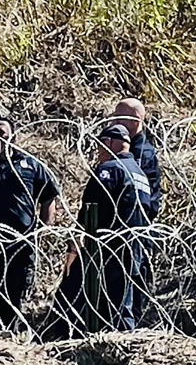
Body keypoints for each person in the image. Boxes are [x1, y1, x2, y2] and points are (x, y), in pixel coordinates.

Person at [53, 125, 153, 334]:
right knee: (120, 300)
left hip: (105, 245)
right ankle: (121, 342)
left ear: (108, 143)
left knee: (75, 293)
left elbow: (91, 209)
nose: (98, 153)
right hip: (133, 245)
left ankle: (65, 338)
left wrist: (75, 243)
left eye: (100, 147)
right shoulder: (141, 174)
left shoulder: (110, 169)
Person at [0, 111, 61, 331]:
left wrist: (43, 228)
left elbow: (48, 197)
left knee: (12, 292)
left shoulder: (31, 165)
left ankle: (9, 335)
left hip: (20, 241)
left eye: (1, 133)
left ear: (13, 137)